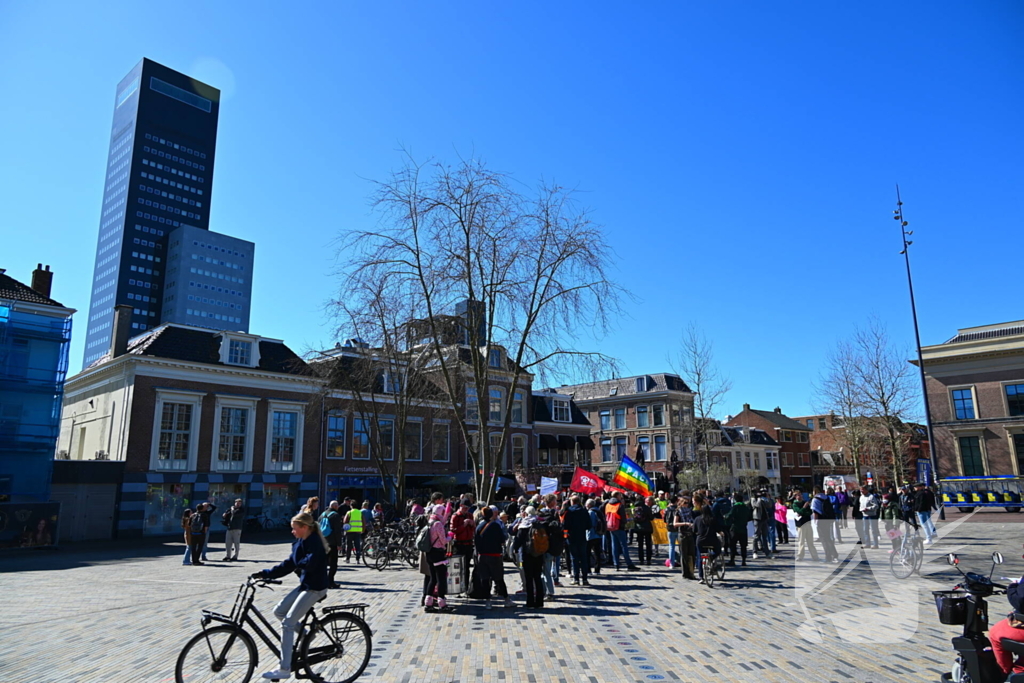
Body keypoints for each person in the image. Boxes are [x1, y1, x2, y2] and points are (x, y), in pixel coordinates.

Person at [250, 512, 330, 680]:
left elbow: (310, 562)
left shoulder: (315, 542)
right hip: (306, 585)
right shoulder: (300, 542)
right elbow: (288, 564)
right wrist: (265, 574)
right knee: (278, 611)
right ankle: (306, 634)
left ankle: (284, 668)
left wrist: (297, 564)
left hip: (315, 588)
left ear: (304, 527)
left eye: (294, 528)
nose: (292, 531)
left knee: (287, 624)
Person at [474, 506, 513, 609]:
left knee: (485, 579)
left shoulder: (479, 526)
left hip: (482, 556)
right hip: (495, 555)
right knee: (499, 579)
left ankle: (488, 601)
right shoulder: (495, 525)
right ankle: (506, 600)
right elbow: (502, 540)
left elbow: (476, 542)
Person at [512, 506, 546, 609]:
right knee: (538, 577)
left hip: (527, 555)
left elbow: (518, 540)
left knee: (529, 578)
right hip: (539, 554)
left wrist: (515, 550)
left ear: (526, 514)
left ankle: (530, 602)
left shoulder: (524, 525)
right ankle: (539, 602)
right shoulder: (540, 524)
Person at [424, 504, 455, 613]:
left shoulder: (430, 521)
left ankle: (428, 603)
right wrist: (450, 536)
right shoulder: (438, 524)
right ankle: (442, 604)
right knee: (441, 579)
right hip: (438, 554)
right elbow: (443, 541)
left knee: (432, 579)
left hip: (429, 553)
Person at [604, 495, 640, 571]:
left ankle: (616, 564)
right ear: (618, 497)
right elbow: (623, 518)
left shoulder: (608, 505)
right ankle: (629, 564)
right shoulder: (619, 505)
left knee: (614, 546)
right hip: (619, 527)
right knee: (624, 546)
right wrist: (625, 524)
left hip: (611, 526)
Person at [563, 495, 592, 586]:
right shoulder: (584, 511)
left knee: (574, 558)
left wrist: (565, 536)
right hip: (582, 536)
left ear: (572, 502)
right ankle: (585, 579)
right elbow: (589, 525)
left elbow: (565, 525)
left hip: (572, 537)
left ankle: (576, 578)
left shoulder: (569, 512)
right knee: (583, 558)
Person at [693, 495, 721, 583]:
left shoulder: (697, 519)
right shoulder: (713, 519)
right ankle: (711, 557)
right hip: (712, 540)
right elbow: (718, 529)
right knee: (718, 550)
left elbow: (694, 530)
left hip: (700, 541)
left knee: (700, 557)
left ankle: (701, 577)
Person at [450, 499, 476, 590]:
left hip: (468, 543)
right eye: (465, 508)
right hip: (459, 544)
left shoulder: (470, 515)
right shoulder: (455, 516)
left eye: (468, 508)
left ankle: (465, 586)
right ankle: (458, 587)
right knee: (458, 567)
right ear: (460, 506)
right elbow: (453, 530)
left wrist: (472, 524)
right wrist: (463, 525)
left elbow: (473, 530)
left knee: (467, 566)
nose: (466, 510)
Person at [321, 501, 345, 587]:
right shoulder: (335, 515)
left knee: (323, 563)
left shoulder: (322, 514)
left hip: (323, 542)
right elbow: (337, 531)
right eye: (337, 506)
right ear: (335, 506)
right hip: (332, 542)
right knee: (333, 563)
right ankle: (330, 582)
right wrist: (339, 544)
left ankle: (323, 581)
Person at [811, 487, 838, 563]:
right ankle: (834, 554)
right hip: (827, 519)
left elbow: (815, 511)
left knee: (823, 539)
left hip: (821, 520)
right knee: (828, 538)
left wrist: (815, 522)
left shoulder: (815, 499)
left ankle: (828, 556)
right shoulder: (826, 497)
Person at [725, 492, 751, 567]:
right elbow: (750, 517)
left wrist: (725, 517)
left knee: (733, 545)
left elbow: (729, 516)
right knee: (743, 546)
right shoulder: (746, 507)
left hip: (735, 528)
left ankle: (732, 560)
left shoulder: (735, 507)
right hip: (743, 529)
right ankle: (744, 561)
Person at [791, 494, 818, 562]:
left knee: (810, 541)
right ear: (795, 497)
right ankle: (800, 556)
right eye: (798, 495)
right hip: (801, 524)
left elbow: (810, 512)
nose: (800, 496)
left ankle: (815, 556)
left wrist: (803, 512)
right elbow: (798, 511)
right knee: (801, 541)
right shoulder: (795, 504)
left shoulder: (805, 502)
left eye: (800, 495)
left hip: (808, 523)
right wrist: (804, 508)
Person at [675, 496, 697, 580]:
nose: (687, 504)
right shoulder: (678, 511)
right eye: (685, 503)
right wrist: (685, 523)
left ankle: (691, 572)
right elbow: (675, 524)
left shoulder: (690, 511)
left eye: (688, 503)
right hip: (682, 534)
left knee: (692, 554)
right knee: (684, 554)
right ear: (681, 503)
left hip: (690, 533)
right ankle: (685, 573)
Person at [585, 499, 605, 575]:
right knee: (597, 553)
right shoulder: (598, 511)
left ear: (589, 505)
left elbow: (590, 524)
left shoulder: (590, 512)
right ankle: (597, 569)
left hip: (590, 534)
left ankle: (588, 569)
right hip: (598, 534)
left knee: (588, 553)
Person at [634, 496, 655, 566]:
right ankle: (648, 559)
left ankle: (641, 560)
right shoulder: (646, 508)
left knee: (640, 545)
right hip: (647, 528)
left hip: (639, 528)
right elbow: (651, 518)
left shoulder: (635, 508)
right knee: (648, 544)